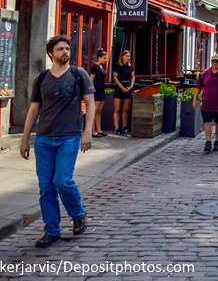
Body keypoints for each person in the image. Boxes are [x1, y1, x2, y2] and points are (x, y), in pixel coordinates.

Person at [20, 35, 95, 248]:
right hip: (44, 139)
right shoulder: (42, 79)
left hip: (69, 136)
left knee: (62, 180)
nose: (65, 52)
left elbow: (90, 105)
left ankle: (78, 214)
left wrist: (87, 132)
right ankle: (51, 230)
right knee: (46, 186)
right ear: (51, 53)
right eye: (60, 49)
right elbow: (34, 109)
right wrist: (25, 139)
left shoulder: (79, 75)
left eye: (67, 48)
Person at [112, 50, 134, 135]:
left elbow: (133, 77)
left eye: (129, 56)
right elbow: (115, 78)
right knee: (117, 108)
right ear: (122, 56)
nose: (128, 58)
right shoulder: (117, 66)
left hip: (128, 85)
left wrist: (131, 86)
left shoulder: (130, 66)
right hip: (119, 86)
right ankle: (117, 127)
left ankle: (124, 126)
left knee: (126, 109)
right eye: (126, 56)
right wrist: (122, 87)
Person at [89, 49, 108, 138]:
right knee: (94, 111)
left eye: (106, 58)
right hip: (96, 90)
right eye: (104, 58)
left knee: (99, 111)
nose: (105, 60)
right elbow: (91, 80)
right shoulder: (95, 67)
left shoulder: (101, 67)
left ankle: (99, 129)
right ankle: (93, 131)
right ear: (99, 58)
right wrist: (91, 91)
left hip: (102, 89)